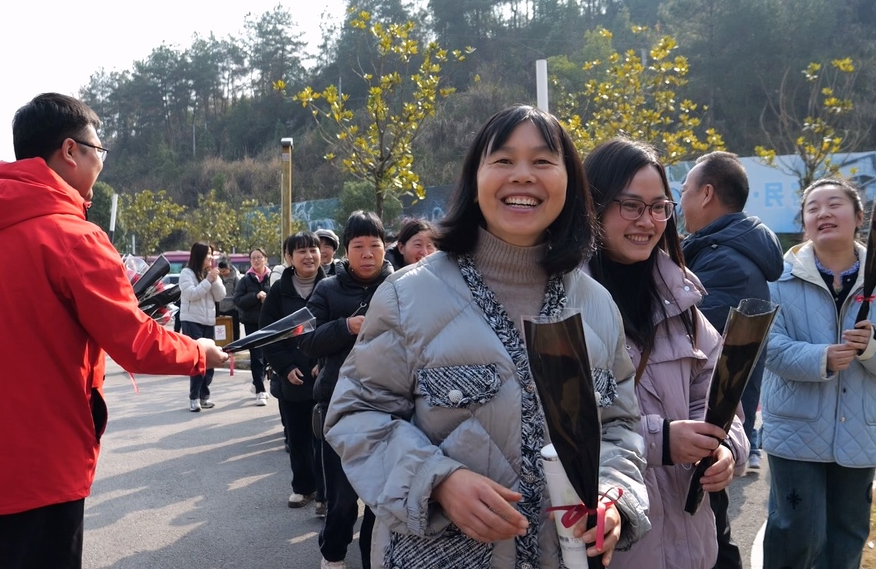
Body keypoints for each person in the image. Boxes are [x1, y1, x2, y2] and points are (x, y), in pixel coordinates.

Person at [324, 106, 650, 569]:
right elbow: (357, 414)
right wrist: (438, 481)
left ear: (570, 183)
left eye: (542, 161)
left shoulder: (597, 306)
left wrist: (612, 497)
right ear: (474, 179)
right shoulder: (408, 296)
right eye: (502, 160)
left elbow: (621, 426)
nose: (522, 176)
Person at [0, 92, 229, 568]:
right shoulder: (74, 237)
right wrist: (200, 350)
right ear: (69, 151)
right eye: (98, 150)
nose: (101, 162)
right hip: (40, 469)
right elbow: (137, 344)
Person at [582, 137, 748, 569]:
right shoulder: (560, 304)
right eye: (631, 206)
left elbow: (721, 402)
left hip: (693, 540)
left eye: (659, 207)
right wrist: (660, 440)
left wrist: (726, 448)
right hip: (615, 542)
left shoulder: (682, 300)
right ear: (592, 206)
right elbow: (551, 424)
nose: (648, 221)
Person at [761, 177, 876, 569]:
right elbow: (768, 347)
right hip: (796, 429)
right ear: (804, 223)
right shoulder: (778, 279)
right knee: (798, 531)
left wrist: (869, 350)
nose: (823, 213)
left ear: (859, 216)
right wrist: (822, 357)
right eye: (813, 208)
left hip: (859, 430)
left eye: (834, 205)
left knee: (848, 535)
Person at [679, 151, 782, 569]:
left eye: (683, 190)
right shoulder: (719, 251)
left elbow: (690, 352)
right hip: (702, 428)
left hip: (705, 425)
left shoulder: (726, 264)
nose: (679, 201)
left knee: (710, 540)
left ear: (706, 194)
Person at [299, 211, 394, 569]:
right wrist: (346, 326)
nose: (368, 253)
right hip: (340, 409)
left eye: (375, 246)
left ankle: (372, 558)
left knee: (379, 500)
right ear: (347, 250)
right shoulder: (328, 289)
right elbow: (306, 341)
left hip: (390, 408)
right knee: (341, 498)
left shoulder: (400, 286)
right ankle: (334, 555)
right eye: (359, 246)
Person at [260, 231, 327, 516]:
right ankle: (303, 487)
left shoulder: (332, 286)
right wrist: (286, 368)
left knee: (325, 439)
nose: (309, 255)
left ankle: (325, 494)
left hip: (325, 377)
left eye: (312, 249)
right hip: (292, 378)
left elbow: (339, 329)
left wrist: (323, 361)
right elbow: (267, 336)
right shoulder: (279, 291)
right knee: (298, 437)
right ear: (289, 258)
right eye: (300, 251)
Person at [180, 242, 227, 412]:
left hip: (209, 322)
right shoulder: (186, 273)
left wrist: (214, 280)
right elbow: (191, 294)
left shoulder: (211, 274)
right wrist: (208, 280)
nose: (210, 258)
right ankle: (194, 397)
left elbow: (220, 296)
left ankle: (204, 395)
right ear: (199, 255)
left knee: (210, 360)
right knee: (197, 360)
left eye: (211, 254)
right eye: (208, 254)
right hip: (192, 321)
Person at [234, 247, 272, 406]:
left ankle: (258, 382)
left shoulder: (272, 277)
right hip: (251, 322)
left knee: (267, 356)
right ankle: (261, 391)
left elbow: (279, 296)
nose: (256, 260)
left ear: (265, 259)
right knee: (256, 356)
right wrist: (255, 297)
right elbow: (238, 301)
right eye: (253, 258)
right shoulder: (245, 279)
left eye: (259, 257)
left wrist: (267, 296)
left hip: (269, 322)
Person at [217, 260, 242, 342]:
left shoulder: (236, 278)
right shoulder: (218, 278)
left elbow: (238, 294)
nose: (222, 273)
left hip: (232, 309)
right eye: (220, 271)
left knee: (234, 330)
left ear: (229, 269)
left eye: (224, 271)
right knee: (221, 332)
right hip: (220, 310)